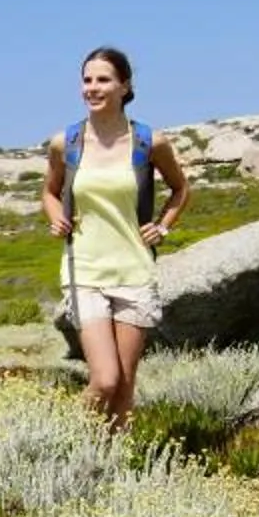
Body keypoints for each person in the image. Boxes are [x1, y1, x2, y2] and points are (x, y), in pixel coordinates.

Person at [41, 46, 191, 428]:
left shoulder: (148, 142)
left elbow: (180, 189)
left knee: (124, 387)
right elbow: (49, 193)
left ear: (124, 86)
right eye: (87, 80)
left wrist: (163, 226)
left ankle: (113, 466)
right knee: (104, 379)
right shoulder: (67, 142)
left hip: (135, 271)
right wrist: (57, 217)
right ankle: (62, 446)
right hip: (85, 270)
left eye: (103, 79)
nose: (92, 87)